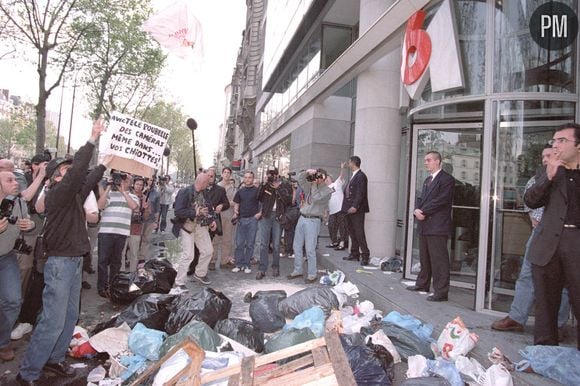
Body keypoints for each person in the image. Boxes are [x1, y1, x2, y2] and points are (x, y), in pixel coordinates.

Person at [18, 119, 108, 385]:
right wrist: (91, 140)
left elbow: (88, 176)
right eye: (67, 169)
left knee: (69, 317)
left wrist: (105, 164)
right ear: (57, 176)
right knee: (52, 320)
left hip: (74, 262)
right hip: (60, 264)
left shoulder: (72, 195)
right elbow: (81, 170)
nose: (72, 173)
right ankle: (28, 372)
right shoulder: (58, 193)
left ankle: (54, 359)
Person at [491, 146, 570, 334]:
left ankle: (557, 325)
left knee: (564, 281)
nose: (545, 159)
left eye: (549, 155)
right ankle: (516, 317)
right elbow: (529, 199)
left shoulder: (569, 179)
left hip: (564, 236)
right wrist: (532, 217)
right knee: (527, 275)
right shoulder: (539, 178)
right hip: (540, 234)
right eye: (543, 156)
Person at [524, 123, 580, 349]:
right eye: (554, 141)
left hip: (576, 244)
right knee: (545, 307)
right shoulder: (549, 171)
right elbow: (531, 200)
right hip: (547, 246)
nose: (555, 145)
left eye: (562, 141)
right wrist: (548, 176)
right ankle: (543, 355)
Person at [407, 151, 455, 302]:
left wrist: (424, 211)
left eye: (428, 160)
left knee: (439, 259)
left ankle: (441, 291)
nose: (425, 163)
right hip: (425, 224)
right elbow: (421, 198)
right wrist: (416, 210)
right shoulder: (428, 180)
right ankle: (422, 284)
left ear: (437, 161)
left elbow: (442, 200)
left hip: (437, 225)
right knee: (425, 257)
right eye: (425, 160)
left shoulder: (447, 179)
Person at [0, 171, 35, 362]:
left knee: (13, 301)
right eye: (10, 180)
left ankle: (2, 342)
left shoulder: (18, 202)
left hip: (6, 257)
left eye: (15, 179)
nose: (15, 183)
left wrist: (29, 224)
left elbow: (28, 224)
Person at [171, 171, 217, 290]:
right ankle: (179, 281)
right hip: (187, 226)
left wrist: (212, 220)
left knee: (208, 251)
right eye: (208, 182)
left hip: (201, 225)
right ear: (203, 183)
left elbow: (210, 209)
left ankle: (200, 274)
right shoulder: (184, 192)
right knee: (188, 255)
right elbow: (178, 211)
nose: (209, 183)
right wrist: (194, 212)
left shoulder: (205, 192)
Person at [97, 172, 139, 298]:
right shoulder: (109, 194)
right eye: (122, 180)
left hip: (121, 233)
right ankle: (101, 286)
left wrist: (123, 191)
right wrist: (108, 186)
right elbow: (100, 205)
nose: (123, 182)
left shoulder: (133, 196)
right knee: (102, 261)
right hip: (106, 231)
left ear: (130, 184)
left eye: (126, 181)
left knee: (116, 262)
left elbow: (134, 207)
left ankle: (112, 286)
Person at [287, 168, 332, 283]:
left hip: (313, 220)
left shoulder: (327, 191)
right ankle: (298, 270)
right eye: (316, 176)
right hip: (302, 218)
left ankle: (312, 274)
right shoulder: (310, 186)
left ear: (324, 178)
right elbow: (301, 180)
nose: (316, 178)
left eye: (319, 177)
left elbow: (317, 198)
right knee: (296, 246)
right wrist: (307, 172)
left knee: (310, 249)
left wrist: (314, 184)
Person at [256, 166, 292, 279]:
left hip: (278, 216)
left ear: (277, 175)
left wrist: (278, 188)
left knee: (276, 245)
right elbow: (258, 197)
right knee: (263, 244)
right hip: (266, 216)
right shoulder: (265, 185)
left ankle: (275, 267)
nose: (272, 177)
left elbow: (288, 201)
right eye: (269, 175)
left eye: (273, 175)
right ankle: (262, 269)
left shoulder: (284, 185)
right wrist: (264, 184)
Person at [341, 156, 370, 265]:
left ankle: (365, 255)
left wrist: (355, 206)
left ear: (353, 163)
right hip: (349, 209)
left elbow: (360, 193)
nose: (348, 164)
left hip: (356, 210)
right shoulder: (354, 176)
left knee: (359, 232)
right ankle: (354, 253)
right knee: (352, 232)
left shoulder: (361, 176)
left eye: (349, 162)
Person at [232, 171, 261, 274]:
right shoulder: (240, 191)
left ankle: (247, 265)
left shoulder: (258, 191)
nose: (248, 179)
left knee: (250, 244)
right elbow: (236, 203)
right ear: (243, 179)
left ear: (253, 179)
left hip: (253, 220)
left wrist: (260, 213)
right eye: (246, 177)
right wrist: (236, 212)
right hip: (241, 219)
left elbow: (263, 203)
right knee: (239, 243)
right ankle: (238, 264)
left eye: (250, 177)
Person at [204, 168, 229, 271]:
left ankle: (210, 262)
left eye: (212, 176)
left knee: (211, 241)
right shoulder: (200, 188)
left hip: (213, 220)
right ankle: (195, 265)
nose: (210, 178)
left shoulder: (220, 190)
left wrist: (221, 206)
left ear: (215, 178)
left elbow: (227, 204)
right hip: (199, 219)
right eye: (208, 176)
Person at [213, 167, 237, 268]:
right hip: (218, 216)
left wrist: (225, 203)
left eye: (228, 173)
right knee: (215, 238)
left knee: (227, 239)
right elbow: (215, 201)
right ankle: (212, 261)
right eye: (225, 172)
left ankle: (224, 261)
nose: (226, 174)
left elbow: (235, 201)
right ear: (222, 174)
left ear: (230, 175)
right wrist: (228, 203)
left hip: (229, 216)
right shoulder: (217, 187)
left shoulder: (234, 188)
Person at [123, 177, 145, 272]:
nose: (139, 187)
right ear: (133, 184)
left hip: (136, 228)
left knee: (134, 253)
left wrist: (145, 209)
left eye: (141, 185)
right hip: (124, 227)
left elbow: (147, 217)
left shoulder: (144, 198)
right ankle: (121, 275)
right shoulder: (126, 195)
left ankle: (132, 275)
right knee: (121, 253)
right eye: (137, 184)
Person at [325, 162, 348, 251]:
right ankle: (334, 241)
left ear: (331, 178)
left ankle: (342, 243)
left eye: (327, 178)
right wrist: (326, 213)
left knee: (342, 226)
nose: (326, 179)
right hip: (332, 211)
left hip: (340, 209)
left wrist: (342, 168)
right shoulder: (325, 189)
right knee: (331, 226)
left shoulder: (337, 183)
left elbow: (341, 176)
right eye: (325, 179)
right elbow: (326, 203)